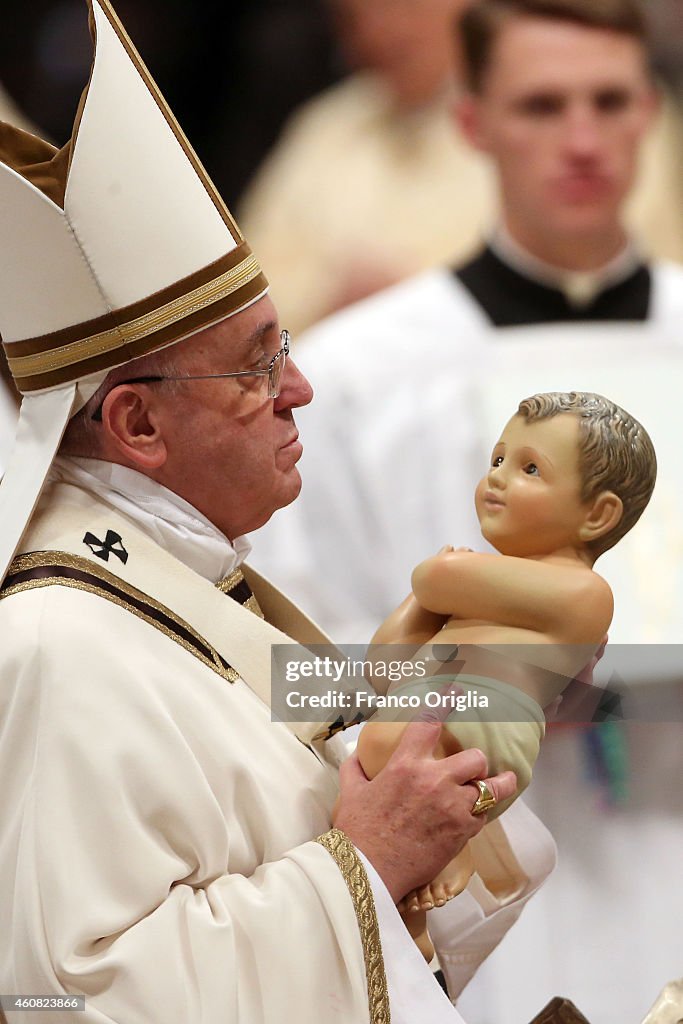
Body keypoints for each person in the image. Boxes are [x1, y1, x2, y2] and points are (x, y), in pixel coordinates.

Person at [0, 3, 558, 1022]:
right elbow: (62, 1001)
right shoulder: (55, 644)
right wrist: (369, 856)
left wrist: (457, 707)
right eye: (258, 366)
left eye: (284, 344)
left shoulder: (184, 576)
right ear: (136, 423)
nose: (300, 390)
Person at [249, 1, 683, 1018]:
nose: (579, 139)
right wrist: (472, 686)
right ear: (472, 122)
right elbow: (280, 678)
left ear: (648, 113)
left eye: (607, 100)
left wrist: (631, 691)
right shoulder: (357, 376)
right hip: (475, 888)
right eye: (540, 105)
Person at [357, 390, 656, 959]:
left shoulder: (584, 593)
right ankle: (414, 909)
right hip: (428, 710)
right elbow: (384, 664)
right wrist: (427, 598)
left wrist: (442, 574)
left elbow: (436, 577)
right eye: (496, 460)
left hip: (489, 726)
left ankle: (451, 849)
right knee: (380, 752)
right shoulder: (485, 592)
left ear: (597, 514)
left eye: (529, 469)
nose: (496, 479)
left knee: (385, 740)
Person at [238, 0, 683, 333]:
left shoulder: (567, 94)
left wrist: (418, 307)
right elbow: (248, 298)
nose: (381, 31)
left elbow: (605, 264)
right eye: (357, 17)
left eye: (405, 8)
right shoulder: (327, 128)